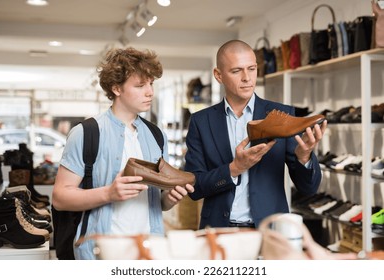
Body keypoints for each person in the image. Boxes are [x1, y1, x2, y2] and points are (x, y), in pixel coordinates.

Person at [52, 47, 194, 260]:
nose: (150, 92)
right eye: (140, 85)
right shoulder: (86, 133)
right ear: (116, 88)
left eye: (151, 83)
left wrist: (169, 199)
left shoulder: (157, 136)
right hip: (100, 253)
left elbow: (157, 204)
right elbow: (60, 198)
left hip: (150, 252)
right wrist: (109, 193)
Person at [184, 39, 327, 229]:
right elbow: (194, 188)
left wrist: (304, 157)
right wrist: (234, 168)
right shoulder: (201, 121)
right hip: (219, 229)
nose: (247, 78)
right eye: (236, 71)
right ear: (218, 75)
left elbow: (309, 188)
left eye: (251, 69)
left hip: (271, 231)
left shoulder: (282, 115)